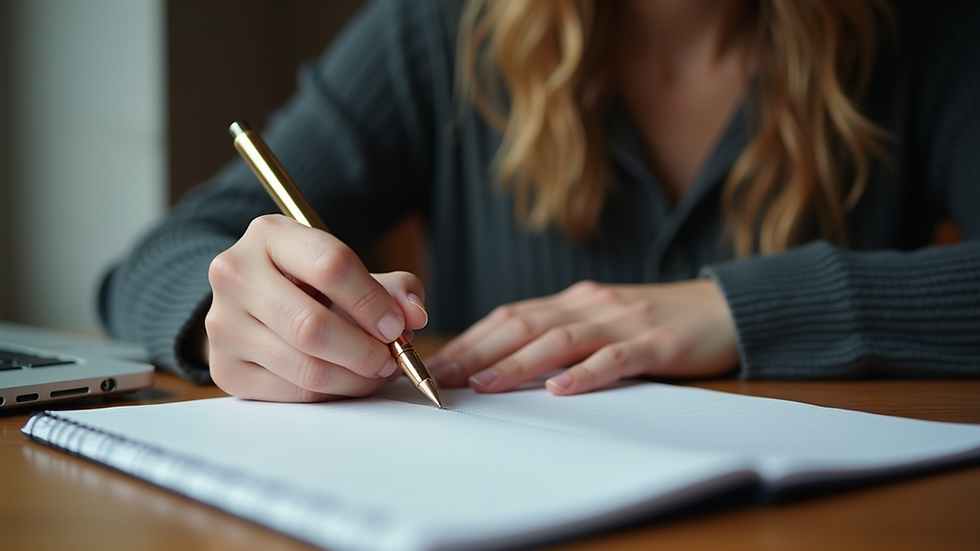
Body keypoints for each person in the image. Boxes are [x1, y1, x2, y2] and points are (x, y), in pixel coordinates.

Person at [99, 0, 980, 403]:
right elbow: (154, 262)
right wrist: (233, 306)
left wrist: (739, 307)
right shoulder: (441, 30)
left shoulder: (928, 33)